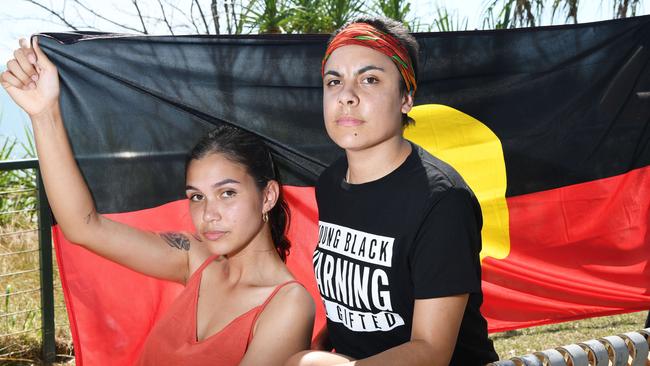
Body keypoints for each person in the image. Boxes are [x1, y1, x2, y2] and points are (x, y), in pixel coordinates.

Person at [2, 37, 315, 366]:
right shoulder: (197, 259)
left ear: (267, 196)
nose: (209, 213)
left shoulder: (288, 304)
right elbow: (83, 227)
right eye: (196, 196)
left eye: (227, 193)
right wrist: (44, 112)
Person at [287, 17, 499, 365]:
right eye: (334, 81)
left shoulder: (442, 202)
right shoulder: (331, 183)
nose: (347, 97)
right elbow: (356, 311)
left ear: (406, 98)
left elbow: (432, 351)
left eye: (370, 79)